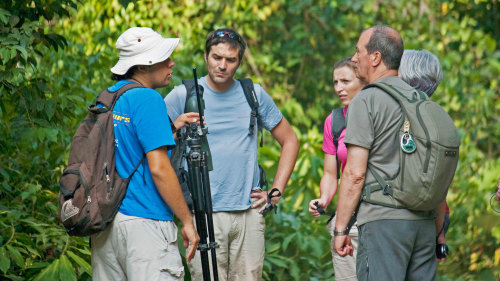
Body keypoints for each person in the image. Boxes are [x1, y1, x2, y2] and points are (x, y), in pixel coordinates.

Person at [164, 28, 300, 280]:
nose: (222, 66)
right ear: (206, 57)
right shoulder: (182, 95)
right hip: (201, 213)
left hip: (248, 213)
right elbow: (153, 149)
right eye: (217, 57)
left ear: (240, 61)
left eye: (230, 60)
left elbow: (290, 140)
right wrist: (174, 127)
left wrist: (276, 192)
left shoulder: (254, 94)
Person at [90, 27, 199, 281]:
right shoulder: (149, 99)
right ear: (143, 66)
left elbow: (127, 148)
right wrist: (187, 221)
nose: (171, 62)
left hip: (108, 224)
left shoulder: (110, 97)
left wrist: (170, 128)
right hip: (145, 224)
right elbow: (159, 169)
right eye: (164, 58)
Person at [334, 25, 441, 281]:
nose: (354, 58)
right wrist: (437, 232)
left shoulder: (367, 100)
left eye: (358, 51)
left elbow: (355, 173)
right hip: (424, 224)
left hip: (383, 223)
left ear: (375, 58)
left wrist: (341, 229)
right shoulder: (422, 100)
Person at [308, 57, 366, 281]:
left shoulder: (380, 114)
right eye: (335, 82)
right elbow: (331, 173)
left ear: (362, 80)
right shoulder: (333, 121)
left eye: (345, 81)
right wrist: (323, 199)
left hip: (379, 218)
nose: (339, 88)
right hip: (347, 221)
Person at [399, 49, 449, 262]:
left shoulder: (399, 118)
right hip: (435, 216)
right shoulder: (438, 119)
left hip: (403, 220)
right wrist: (440, 235)